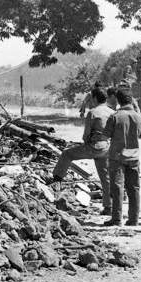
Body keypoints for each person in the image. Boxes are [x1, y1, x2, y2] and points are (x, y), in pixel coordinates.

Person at [51, 86, 113, 215]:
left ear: (95, 98)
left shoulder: (93, 112)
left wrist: (86, 144)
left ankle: (56, 180)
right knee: (105, 177)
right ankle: (108, 207)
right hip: (107, 147)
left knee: (67, 154)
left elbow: (86, 135)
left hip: (94, 146)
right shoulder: (112, 112)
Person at [103, 89, 141, 226]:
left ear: (118, 100)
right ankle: (134, 219)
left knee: (117, 188)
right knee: (134, 188)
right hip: (134, 157)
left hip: (117, 156)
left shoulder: (115, 116)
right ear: (131, 100)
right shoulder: (139, 117)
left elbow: (105, 135)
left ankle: (116, 219)